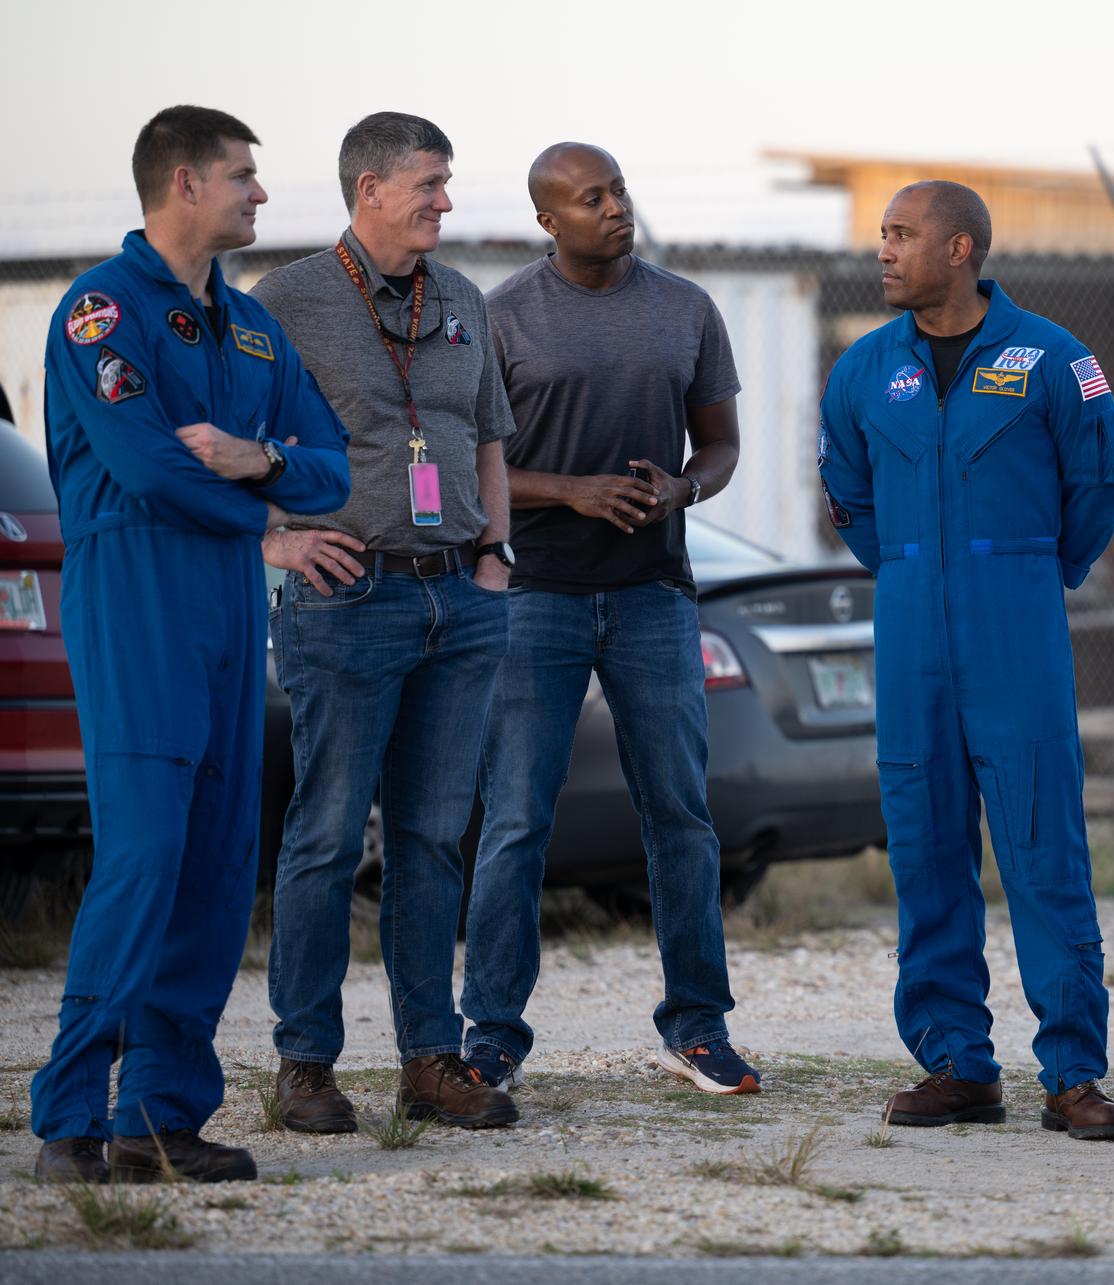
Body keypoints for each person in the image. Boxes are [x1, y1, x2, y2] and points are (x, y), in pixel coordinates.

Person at [30, 105, 350, 1183]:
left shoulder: (253, 330)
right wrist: (271, 519)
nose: (261, 194)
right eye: (243, 177)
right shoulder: (99, 313)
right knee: (145, 859)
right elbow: (149, 468)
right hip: (138, 607)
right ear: (182, 184)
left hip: (226, 612)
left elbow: (334, 468)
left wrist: (261, 461)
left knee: (218, 867)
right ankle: (69, 1115)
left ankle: (160, 1117)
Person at [818, 181, 1114, 1140]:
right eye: (882, 234)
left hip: (1017, 630)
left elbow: (1101, 480)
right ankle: (957, 1063)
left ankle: (1073, 1072)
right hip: (911, 629)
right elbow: (848, 488)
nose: (884, 250)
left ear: (960, 249)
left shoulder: (1053, 357)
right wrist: (915, 568)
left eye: (902, 235)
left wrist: (1037, 568)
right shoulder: (865, 368)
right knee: (925, 849)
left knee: (1044, 850)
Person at [462, 142, 755, 1094]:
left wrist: (682, 490)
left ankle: (698, 1027)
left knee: (681, 815)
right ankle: (492, 1035)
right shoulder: (502, 318)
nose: (616, 208)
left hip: (653, 599)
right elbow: (479, 467)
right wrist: (572, 493)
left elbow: (721, 444)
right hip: (535, 597)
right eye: (592, 199)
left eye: (620, 190)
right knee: (515, 820)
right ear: (550, 220)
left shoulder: (686, 308)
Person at [251, 112, 519, 1133]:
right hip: (345, 599)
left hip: (458, 598)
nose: (445, 203)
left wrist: (495, 556)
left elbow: (486, 434)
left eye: (446, 185)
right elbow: (232, 445)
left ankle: (429, 1059)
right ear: (369, 189)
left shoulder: (463, 300)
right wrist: (273, 542)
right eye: (430, 185)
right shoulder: (286, 301)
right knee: (324, 835)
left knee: (432, 838)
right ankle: (306, 1064)